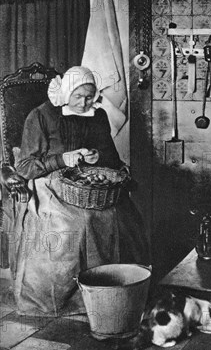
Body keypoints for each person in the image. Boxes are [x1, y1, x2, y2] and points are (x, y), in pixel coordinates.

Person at [6, 66, 150, 316]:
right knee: (81, 222)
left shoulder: (98, 115)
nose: (85, 102)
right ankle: (76, 298)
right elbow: (25, 166)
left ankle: (117, 288)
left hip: (87, 182)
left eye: (90, 96)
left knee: (120, 214)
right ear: (67, 91)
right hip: (49, 181)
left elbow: (111, 157)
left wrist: (97, 156)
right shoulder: (40, 116)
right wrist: (62, 159)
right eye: (79, 96)